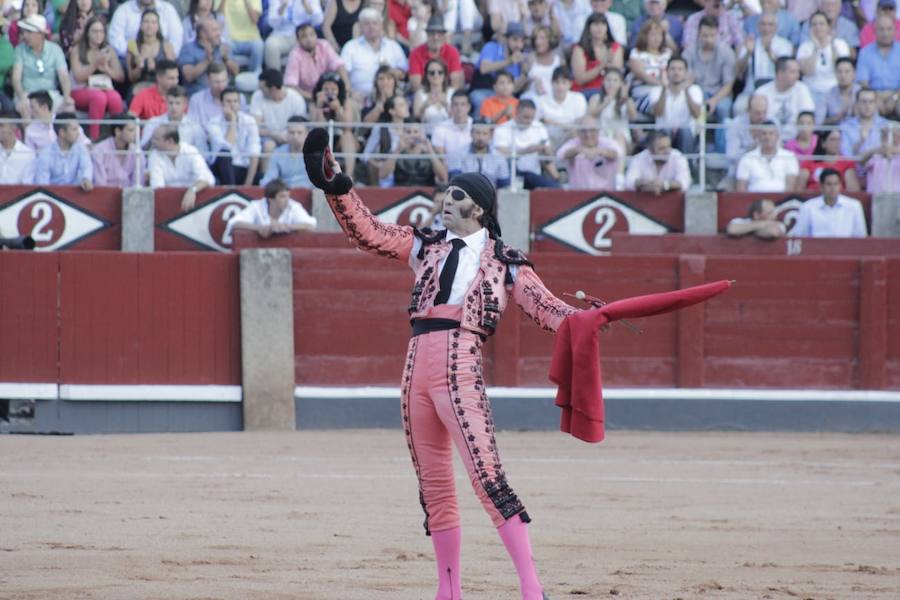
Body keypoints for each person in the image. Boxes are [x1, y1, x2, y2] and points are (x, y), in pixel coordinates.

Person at [303, 125, 580, 600]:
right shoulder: (425, 245)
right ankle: (447, 592)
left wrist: (591, 319)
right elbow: (368, 232)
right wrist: (338, 187)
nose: (445, 201)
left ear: (479, 208)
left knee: (487, 477)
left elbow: (549, 309)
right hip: (416, 367)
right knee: (433, 485)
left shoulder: (507, 261)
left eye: (455, 196)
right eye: (445, 194)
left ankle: (532, 591)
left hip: (461, 365)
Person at [685, 15, 736, 154]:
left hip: (719, 92)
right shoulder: (689, 52)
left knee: (724, 109)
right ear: (698, 34)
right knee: (691, 106)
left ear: (717, 33)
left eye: (712, 35)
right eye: (704, 35)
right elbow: (686, 82)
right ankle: (693, 151)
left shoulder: (726, 53)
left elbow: (728, 85)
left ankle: (721, 153)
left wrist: (714, 100)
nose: (708, 39)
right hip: (697, 91)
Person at [69, 16, 125, 140]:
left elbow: (120, 77)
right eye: (94, 31)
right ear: (87, 33)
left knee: (115, 97)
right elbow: (78, 77)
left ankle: (118, 137)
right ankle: (94, 138)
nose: (98, 35)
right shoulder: (77, 50)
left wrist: (107, 70)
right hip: (80, 90)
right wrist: (95, 64)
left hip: (104, 88)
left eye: (101, 31)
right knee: (98, 97)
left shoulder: (109, 50)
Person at [11, 14, 72, 117]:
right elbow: (16, 78)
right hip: (27, 94)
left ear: (41, 34)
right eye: (24, 32)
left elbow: (64, 77)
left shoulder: (55, 49)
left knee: (69, 107)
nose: (25, 35)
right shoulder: (20, 50)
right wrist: (22, 96)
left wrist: (66, 97)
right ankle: (30, 133)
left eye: (29, 32)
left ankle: (53, 133)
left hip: (50, 94)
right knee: (24, 106)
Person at [340, 7, 407, 100]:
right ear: (360, 27)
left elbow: (403, 73)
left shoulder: (393, 46)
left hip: (391, 96)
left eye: (375, 23)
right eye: (367, 23)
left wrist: (390, 71)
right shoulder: (350, 47)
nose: (371, 26)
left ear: (381, 25)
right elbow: (343, 74)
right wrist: (350, 92)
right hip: (360, 97)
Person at [492, 98, 561, 189]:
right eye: (525, 117)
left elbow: (547, 157)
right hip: (510, 174)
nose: (529, 121)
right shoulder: (503, 128)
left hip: (535, 175)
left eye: (532, 118)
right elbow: (501, 153)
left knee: (555, 188)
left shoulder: (539, 127)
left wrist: (547, 152)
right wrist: (526, 150)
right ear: (516, 113)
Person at [797, 11, 851, 121]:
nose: (818, 27)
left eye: (821, 24)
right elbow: (808, 71)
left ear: (828, 26)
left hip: (835, 89)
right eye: (814, 24)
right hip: (812, 90)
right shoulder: (805, 47)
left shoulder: (840, 44)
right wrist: (816, 48)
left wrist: (831, 45)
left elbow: (840, 67)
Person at [147, 124, 215, 211]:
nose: (152, 142)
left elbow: (206, 178)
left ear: (170, 141)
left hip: (196, 199)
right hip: (168, 201)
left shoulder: (190, 151)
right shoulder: (155, 155)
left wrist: (192, 190)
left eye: (156, 139)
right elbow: (157, 186)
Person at [250, 68, 307, 171]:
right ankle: (267, 179)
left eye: (262, 88)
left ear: (273, 89)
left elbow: (300, 125)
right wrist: (273, 135)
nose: (260, 90)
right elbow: (254, 127)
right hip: (268, 137)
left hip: (292, 135)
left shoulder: (296, 99)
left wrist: (287, 136)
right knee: (268, 146)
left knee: (299, 143)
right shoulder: (257, 96)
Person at [225, 178, 317, 239]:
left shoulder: (293, 206)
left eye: (288, 196)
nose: (287, 200)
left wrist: (286, 227)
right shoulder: (257, 206)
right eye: (282, 196)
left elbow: (311, 225)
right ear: (271, 199)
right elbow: (234, 223)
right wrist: (259, 228)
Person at [735, 11, 794, 107]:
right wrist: (748, 54)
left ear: (776, 27)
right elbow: (739, 72)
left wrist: (769, 52)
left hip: (776, 90)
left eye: (770, 25)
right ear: (758, 27)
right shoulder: (750, 43)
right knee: (739, 107)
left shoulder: (785, 45)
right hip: (751, 90)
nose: (766, 28)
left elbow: (785, 70)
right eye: (763, 24)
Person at [649, 57, 704, 155]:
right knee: (665, 131)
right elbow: (658, 113)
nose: (676, 72)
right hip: (663, 134)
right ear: (667, 71)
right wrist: (664, 89)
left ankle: (687, 168)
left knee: (685, 132)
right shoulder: (656, 91)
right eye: (673, 69)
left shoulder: (695, 90)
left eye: (680, 69)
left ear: (686, 72)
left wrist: (686, 91)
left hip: (686, 135)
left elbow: (696, 114)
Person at [790, 167, 868, 237]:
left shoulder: (854, 206)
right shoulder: (808, 207)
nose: (832, 188)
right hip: (816, 250)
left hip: (846, 250)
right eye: (828, 184)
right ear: (821, 186)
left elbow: (861, 236)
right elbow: (800, 236)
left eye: (836, 184)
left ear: (840, 185)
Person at [208, 86, 261, 185]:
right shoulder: (213, 122)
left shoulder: (249, 121)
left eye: (235, 101)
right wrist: (232, 121)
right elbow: (227, 146)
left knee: (259, 176)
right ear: (221, 103)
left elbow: (254, 152)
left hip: (242, 167)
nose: (232, 105)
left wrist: (248, 184)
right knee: (225, 156)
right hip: (221, 167)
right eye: (228, 101)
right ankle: (232, 191)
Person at [471, 21, 529, 111]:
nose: (518, 45)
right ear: (506, 39)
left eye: (522, 41)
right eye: (515, 40)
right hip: (484, 90)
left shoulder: (521, 59)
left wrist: (525, 73)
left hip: (505, 95)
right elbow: (484, 68)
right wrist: (509, 61)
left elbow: (515, 89)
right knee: (481, 100)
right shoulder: (491, 47)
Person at [140, 85, 209, 159]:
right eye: (171, 103)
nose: (174, 107)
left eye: (177, 103)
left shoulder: (195, 126)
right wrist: (153, 139)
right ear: (166, 102)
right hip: (159, 163)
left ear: (185, 104)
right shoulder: (153, 123)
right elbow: (142, 151)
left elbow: (203, 154)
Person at [284, 22, 348, 102]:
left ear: (316, 35)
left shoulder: (324, 45)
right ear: (298, 40)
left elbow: (339, 65)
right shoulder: (295, 55)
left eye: (311, 34)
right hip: (308, 97)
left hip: (331, 93)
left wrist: (346, 88)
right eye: (304, 36)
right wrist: (314, 97)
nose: (309, 39)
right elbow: (291, 86)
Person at [755, 57, 816, 141]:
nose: (797, 76)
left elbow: (808, 118)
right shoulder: (761, 92)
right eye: (793, 72)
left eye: (798, 72)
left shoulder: (802, 89)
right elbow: (756, 121)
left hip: (795, 142)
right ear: (780, 73)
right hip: (767, 142)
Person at [178, 15, 239, 96]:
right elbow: (188, 76)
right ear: (203, 33)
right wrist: (207, 60)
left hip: (223, 95)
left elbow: (236, 72)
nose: (219, 33)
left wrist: (226, 58)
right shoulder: (188, 49)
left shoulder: (222, 47)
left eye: (218, 30)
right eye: (214, 30)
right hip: (199, 95)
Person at [555, 116, 621, 190]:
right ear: (578, 132)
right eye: (584, 131)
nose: (588, 134)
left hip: (605, 195)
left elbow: (617, 153)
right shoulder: (573, 143)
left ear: (598, 131)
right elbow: (560, 155)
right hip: (578, 194)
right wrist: (580, 150)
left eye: (592, 130)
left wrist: (599, 151)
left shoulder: (608, 143)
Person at [735, 120, 800, 191]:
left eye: (771, 133)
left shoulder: (789, 157)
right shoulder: (747, 158)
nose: (767, 137)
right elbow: (741, 189)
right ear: (758, 137)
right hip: (754, 200)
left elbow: (790, 188)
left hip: (782, 200)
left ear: (777, 136)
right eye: (764, 134)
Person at [34, 112, 93, 189]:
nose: (78, 133)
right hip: (52, 196)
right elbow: (42, 185)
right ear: (62, 133)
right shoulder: (45, 154)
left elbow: (86, 167)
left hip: (76, 195)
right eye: (74, 130)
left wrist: (86, 179)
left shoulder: (80, 148)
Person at [855, 14, 900, 114]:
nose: (885, 33)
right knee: (866, 105)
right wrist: (876, 98)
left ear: (895, 30)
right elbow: (863, 82)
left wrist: (895, 97)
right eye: (882, 29)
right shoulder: (865, 52)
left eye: (889, 29)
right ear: (875, 31)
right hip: (873, 94)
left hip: (898, 94)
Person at [571, 13, 623, 99]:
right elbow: (579, 79)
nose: (600, 28)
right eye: (596, 24)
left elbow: (617, 74)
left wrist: (608, 66)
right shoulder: (579, 49)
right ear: (588, 28)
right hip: (585, 90)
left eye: (603, 24)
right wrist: (602, 66)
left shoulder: (615, 47)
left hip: (609, 90)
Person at [447, 117, 511, 188]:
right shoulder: (459, 154)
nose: (481, 137)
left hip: (491, 195)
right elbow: (455, 182)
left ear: (490, 136)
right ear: (471, 133)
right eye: (477, 133)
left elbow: (504, 185)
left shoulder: (499, 157)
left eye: (485, 134)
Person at [361, 94, 409, 186]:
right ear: (392, 111)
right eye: (402, 105)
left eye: (406, 104)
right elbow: (365, 155)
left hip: (407, 174)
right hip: (386, 176)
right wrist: (377, 165)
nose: (406, 107)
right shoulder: (381, 128)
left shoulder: (413, 128)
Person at [535, 66, 588, 150]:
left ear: (570, 84)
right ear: (551, 83)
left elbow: (580, 124)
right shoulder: (541, 101)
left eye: (564, 82)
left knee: (574, 134)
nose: (560, 86)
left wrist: (555, 123)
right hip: (548, 139)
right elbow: (537, 124)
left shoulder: (578, 98)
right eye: (557, 82)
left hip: (570, 137)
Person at [108, 0, 183, 57]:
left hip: (163, 59)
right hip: (129, 59)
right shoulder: (123, 10)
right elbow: (115, 40)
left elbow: (177, 38)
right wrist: (136, 56)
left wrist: (164, 56)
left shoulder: (168, 9)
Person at [586, 67, 636, 153]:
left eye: (615, 81)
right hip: (600, 138)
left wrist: (626, 99)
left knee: (618, 137)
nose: (611, 84)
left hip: (622, 139)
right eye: (608, 80)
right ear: (603, 82)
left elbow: (633, 117)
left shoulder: (627, 100)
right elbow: (590, 116)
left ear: (621, 83)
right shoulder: (595, 98)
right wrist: (606, 102)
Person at [384, 118, 448, 186]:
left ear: (421, 133)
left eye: (416, 132)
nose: (412, 135)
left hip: (426, 193)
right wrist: (397, 150)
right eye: (408, 132)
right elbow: (383, 175)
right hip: (401, 192)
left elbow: (443, 178)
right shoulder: (396, 152)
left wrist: (430, 151)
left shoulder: (430, 152)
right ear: (403, 133)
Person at [624, 129, 692, 193]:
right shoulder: (639, 159)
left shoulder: (678, 157)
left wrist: (665, 185)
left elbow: (685, 182)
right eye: (662, 148)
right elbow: (628, 183)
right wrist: (646, 183)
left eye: (668, 147)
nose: (667, 151)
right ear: (650, 150)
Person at [408, 15, 463, 92]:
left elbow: (456, 82)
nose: (435, 37)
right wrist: (431, 96)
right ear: (427, 35)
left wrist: (443, 96)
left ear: (444, 36)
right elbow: (415, 85)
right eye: (432, 33)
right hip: (424, 93)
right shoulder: (416, 53)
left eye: (439, 33)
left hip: (446, 93)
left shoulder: (452, 52)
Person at [627, 19, 671, 115]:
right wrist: (663, 85)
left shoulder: (668, 53)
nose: (657, 38)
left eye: (659, 35)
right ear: (645, 36)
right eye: (653, 35)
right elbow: (642, 75)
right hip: (644, 92)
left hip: (667, 91)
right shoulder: (636, 53)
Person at [127, 9, 177, 90]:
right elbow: (131, 79)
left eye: (153, 22)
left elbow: (172, 73)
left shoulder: (166, 46)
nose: (149, 25)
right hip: (140, 86)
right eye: (146, 22)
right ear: (141, 25)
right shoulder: (133, 47)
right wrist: (139, 67)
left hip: (162, 87)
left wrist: (157, 68)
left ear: (158, 26)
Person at [264, 0, 323, 70]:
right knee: (270, 45)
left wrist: (307, 6)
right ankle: (275, 78)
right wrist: (283, 7)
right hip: (282, 34)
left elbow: (318, 20)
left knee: (313, 43)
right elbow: (272, 23)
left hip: (304, 34)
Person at [839, 86, 887, 165]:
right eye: (864, 101)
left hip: (879, 172)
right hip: (854, 172)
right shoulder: (845, 127)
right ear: (857, 103)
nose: (867, 105)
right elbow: (846, 156)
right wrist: (860, 142)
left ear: (876, 104)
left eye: (871, 101)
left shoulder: (887, 125)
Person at [260, 115, 312, 187]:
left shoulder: (314, 153)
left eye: (299, 132)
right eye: (291, 132)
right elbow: (270, 177)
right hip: (285, 193)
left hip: (309, 193)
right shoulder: (279, 152)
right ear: (287, 133)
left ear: (307, 133)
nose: (295, 136)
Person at [91, 113, 137, 187]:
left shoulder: (137, 153)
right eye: (131, 130)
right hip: (105, 195)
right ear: (118, 131)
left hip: (130, 196)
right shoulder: (100, 151)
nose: (135, 134)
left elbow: (137, 183)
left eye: (136, 130)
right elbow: (100, 184)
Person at [432, 90, 473, 171]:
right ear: (451, 107)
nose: (459, 108)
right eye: (456, 104)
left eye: (463, 104)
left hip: (472, 172)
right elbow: (441, 157)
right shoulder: (440, 128)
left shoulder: (476, 126)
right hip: (450, 171)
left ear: (468, 107)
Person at [222, 0, 264, 75]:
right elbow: (219, 14)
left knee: (259, 45)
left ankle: (254, 76)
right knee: (223, 47)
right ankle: (231, 79)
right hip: (230, 38)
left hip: (251, 38)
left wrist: (247, 3)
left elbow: (255, 20)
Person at [413, 58, 455, 132]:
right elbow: (416, 119)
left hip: (449, 134)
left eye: (440, 72)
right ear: (426, 75)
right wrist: (424, 106)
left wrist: (446, 105)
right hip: (427, 134)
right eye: (432, 72)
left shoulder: (452, 93)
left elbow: (458, 118)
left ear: (445, 75)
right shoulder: (420, 93)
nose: (436, 75)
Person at [522, 25, 561, 100]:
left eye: (542, 38)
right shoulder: (530, 58)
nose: (537, 42)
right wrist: (529, 79)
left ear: (550, 40)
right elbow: (519, 86)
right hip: (532, 98)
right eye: (535, 38)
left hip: (553, 99)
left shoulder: (559, 61)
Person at [0, 110, 36, 184]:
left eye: (1, 126)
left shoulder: (27, 154)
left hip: (18, 194)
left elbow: (27, 183)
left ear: (13, 128)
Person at [864, 122, 900, 193]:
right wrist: (877, 151)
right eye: (883, 134)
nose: (884, 137)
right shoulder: (876, 154)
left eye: (888, 134)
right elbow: (861, 161)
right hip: (877, 197)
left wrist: (894, 151)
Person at [824, 56, 861, 124]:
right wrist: (839, 116)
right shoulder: (829, 94)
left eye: (847, 71)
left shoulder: (862, 93)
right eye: (839, 71)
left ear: (854, 73)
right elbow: (821, 123)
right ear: (835, 73)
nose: (843, 75)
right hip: (835, 132)